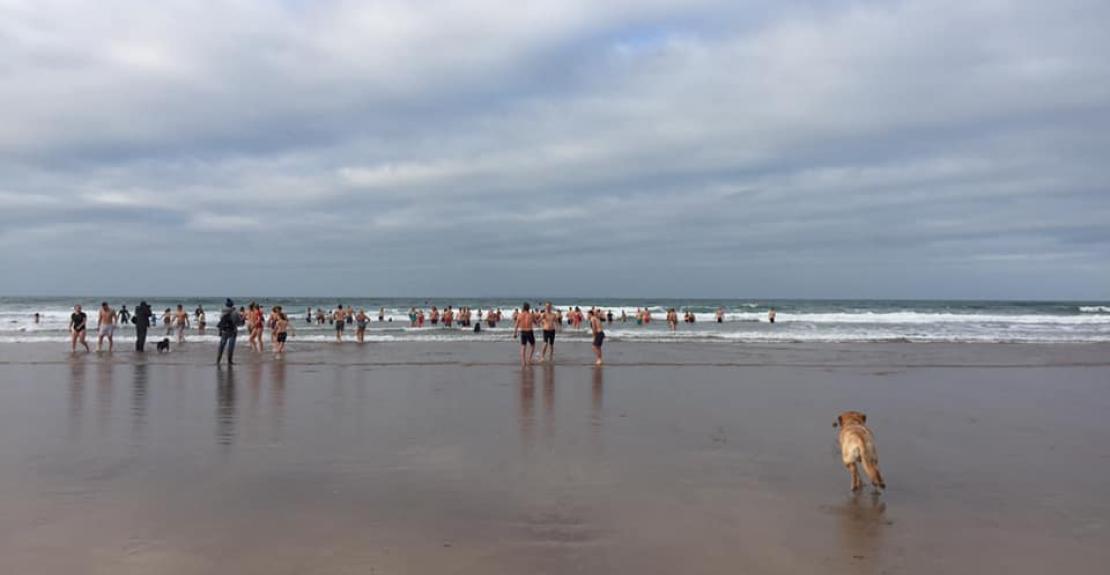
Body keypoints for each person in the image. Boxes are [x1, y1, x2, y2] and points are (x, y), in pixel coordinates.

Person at [216, 299, 241, 365]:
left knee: (221, 346)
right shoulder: (235, 312)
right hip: (233, 331)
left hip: (224, 331)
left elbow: (221, 322)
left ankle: (218, 361)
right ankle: (229, 361)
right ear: (232, 305)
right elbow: (239, 323)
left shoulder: (222, 312)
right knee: (231, 346)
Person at [513, 301, 536, 366]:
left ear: (523, 308)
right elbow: (536, 322)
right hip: (529, 331)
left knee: (523, 346)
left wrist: (514, 333)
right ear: (529, 308)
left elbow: (516, 325)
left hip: (523, 331)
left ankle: (523, 362)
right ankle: (529, 358)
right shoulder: (531, 315)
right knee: (533, 345)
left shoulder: (520, 315)